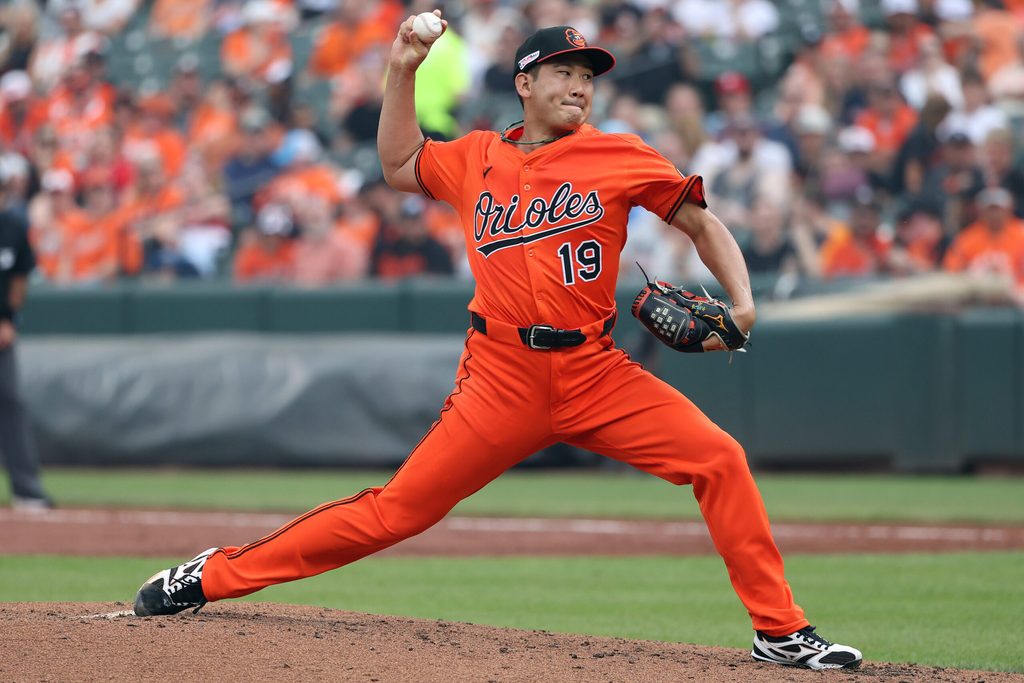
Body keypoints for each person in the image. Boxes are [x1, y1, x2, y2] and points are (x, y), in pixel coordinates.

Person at [132, 20, 862, 672]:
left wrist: (743, 301)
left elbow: (701, 223)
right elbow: (397, 163)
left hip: (596, 371)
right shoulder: (476, 157)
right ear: (525, 83)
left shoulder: (620, 154)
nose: (580, 86)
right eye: (565, 72)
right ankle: (212, 574)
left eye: (589, 76)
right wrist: (402, 70)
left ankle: (781, 630)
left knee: (719, 458)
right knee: (394, 512)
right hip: (500, 377)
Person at [0, 174, 52, 510]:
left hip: (1, 334)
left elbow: (20, 277)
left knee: (12, 403)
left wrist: (9, 319)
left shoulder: (13, 227)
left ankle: (26, 487)